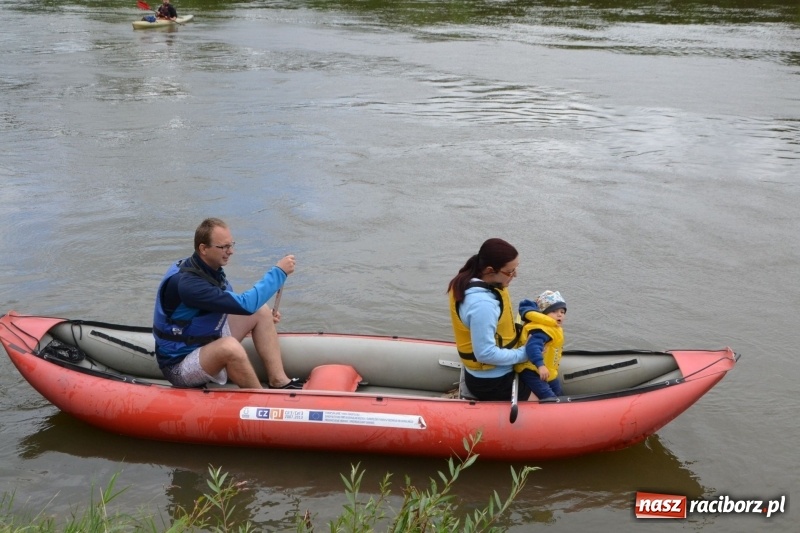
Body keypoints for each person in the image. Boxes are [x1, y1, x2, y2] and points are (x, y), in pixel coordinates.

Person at [153, 217, 303, 389]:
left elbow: (232, 307)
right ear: (203, 249)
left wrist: (262, 320)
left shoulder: (209, 270)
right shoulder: (189, 285)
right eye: (223, 247)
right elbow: (245, 305)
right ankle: (260, 401)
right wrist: (279, 272)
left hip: (204, 344)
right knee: (230, 346)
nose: (230, 251)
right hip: (180, 365)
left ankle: (279, 380)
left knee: (260, 311)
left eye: (231, 245)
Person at [447, 238, 531, 401]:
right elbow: (485, 354)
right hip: (492, 382)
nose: (515, 275)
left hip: (492, 373)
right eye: (510, 271)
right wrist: (524, 354)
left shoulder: (470, 280)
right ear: (490, 270)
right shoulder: (482, 305)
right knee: (547, 398)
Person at [514, 290, 566, 399]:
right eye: (554, 311)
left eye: (562, 312)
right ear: (544, 314)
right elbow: (532, 346)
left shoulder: (552, 328)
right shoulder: (541, 329)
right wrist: (540, 365)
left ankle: (564, 408)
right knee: (548, 395)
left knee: (559, 391)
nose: (559, 314)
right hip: (532, 370)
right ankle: (552, 412)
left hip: (547, 370)